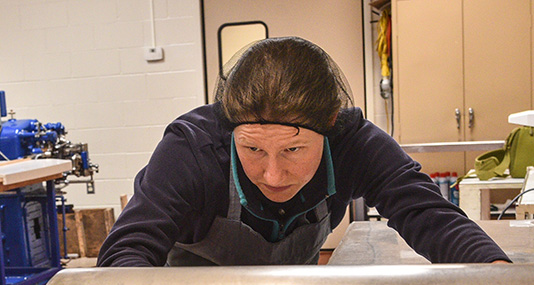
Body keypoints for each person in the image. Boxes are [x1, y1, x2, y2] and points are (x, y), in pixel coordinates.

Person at [97, 36, 510, 267]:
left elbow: (428, 214)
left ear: (330, 125)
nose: (273, 174)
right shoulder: (191, 150)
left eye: (294, 149)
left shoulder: (354, 144)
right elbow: (127, 251)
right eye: (253, 149)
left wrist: (494, 273)